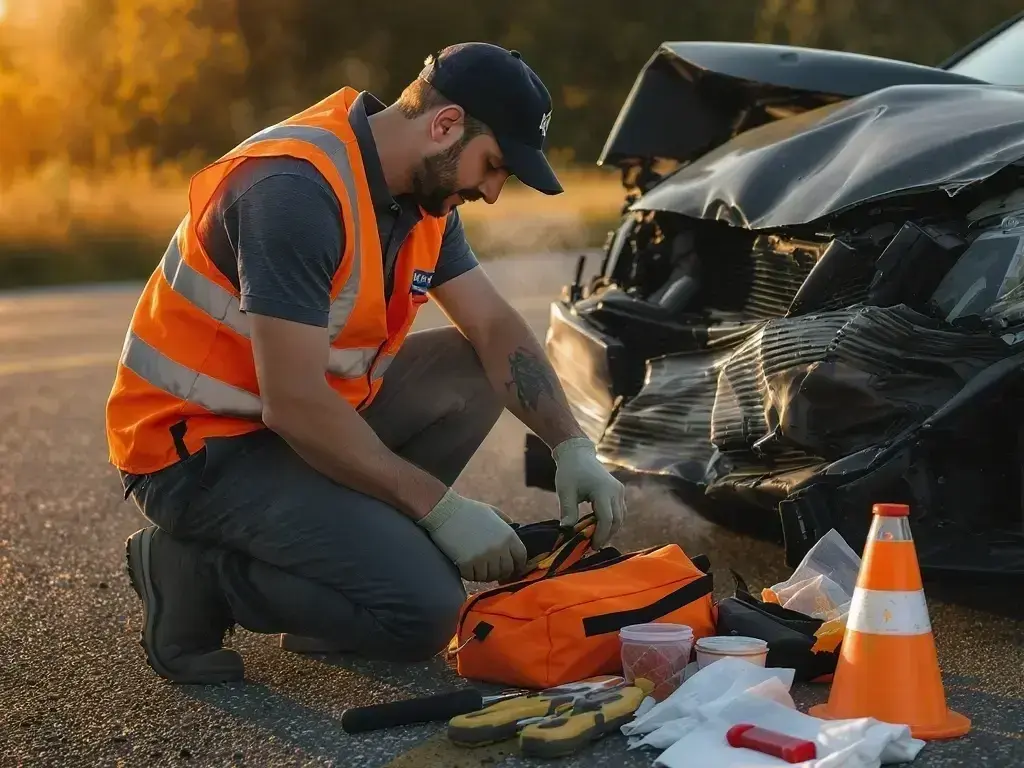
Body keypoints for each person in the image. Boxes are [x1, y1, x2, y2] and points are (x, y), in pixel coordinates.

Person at [105, 42, 627, 685]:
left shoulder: (424, 196)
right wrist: (439, 510)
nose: (492, 192)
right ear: (444, 124)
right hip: (197, 452)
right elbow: (293, 402)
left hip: (296, 426)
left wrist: (571, 445)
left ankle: (340, 586)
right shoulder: (295, 190)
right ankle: (196, 573)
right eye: (494, 166)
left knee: (471, 371)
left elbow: (492, 327)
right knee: (427, 612)